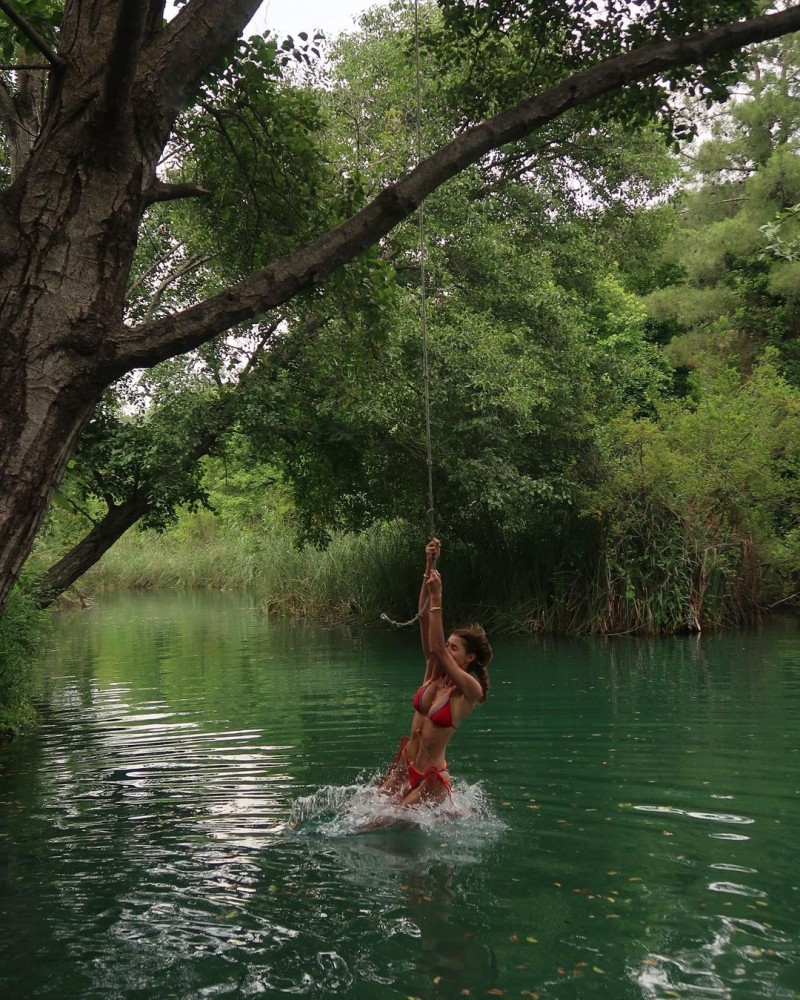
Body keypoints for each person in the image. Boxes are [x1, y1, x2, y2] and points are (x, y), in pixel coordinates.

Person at [379, 539, 492, 807]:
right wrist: (428, 564)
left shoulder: (470, 691)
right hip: (405, 765)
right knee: (365, 820)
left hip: (431, 778)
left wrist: (439, 597)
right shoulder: (433, 671)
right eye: (447, 645)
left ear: (470, 657)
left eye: (454, 648)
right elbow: (423, 616)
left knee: (385, 822)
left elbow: (438, 649)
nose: (446, 650)